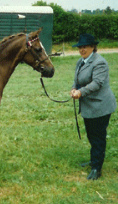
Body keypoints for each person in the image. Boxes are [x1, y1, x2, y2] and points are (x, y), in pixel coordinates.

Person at [70, 34, 117, 180]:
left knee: (98, 138)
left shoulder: (100, 62)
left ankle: (97, 168)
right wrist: (73, 89)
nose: (81, 49)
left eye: (85, 47)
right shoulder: (81, 61)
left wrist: (80, 92)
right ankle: (93, 160)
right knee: (92, 136)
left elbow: (97, 83)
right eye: (80, 47)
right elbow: (76, 79)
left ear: (92, 47)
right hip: (88, 107)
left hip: (100, 107)